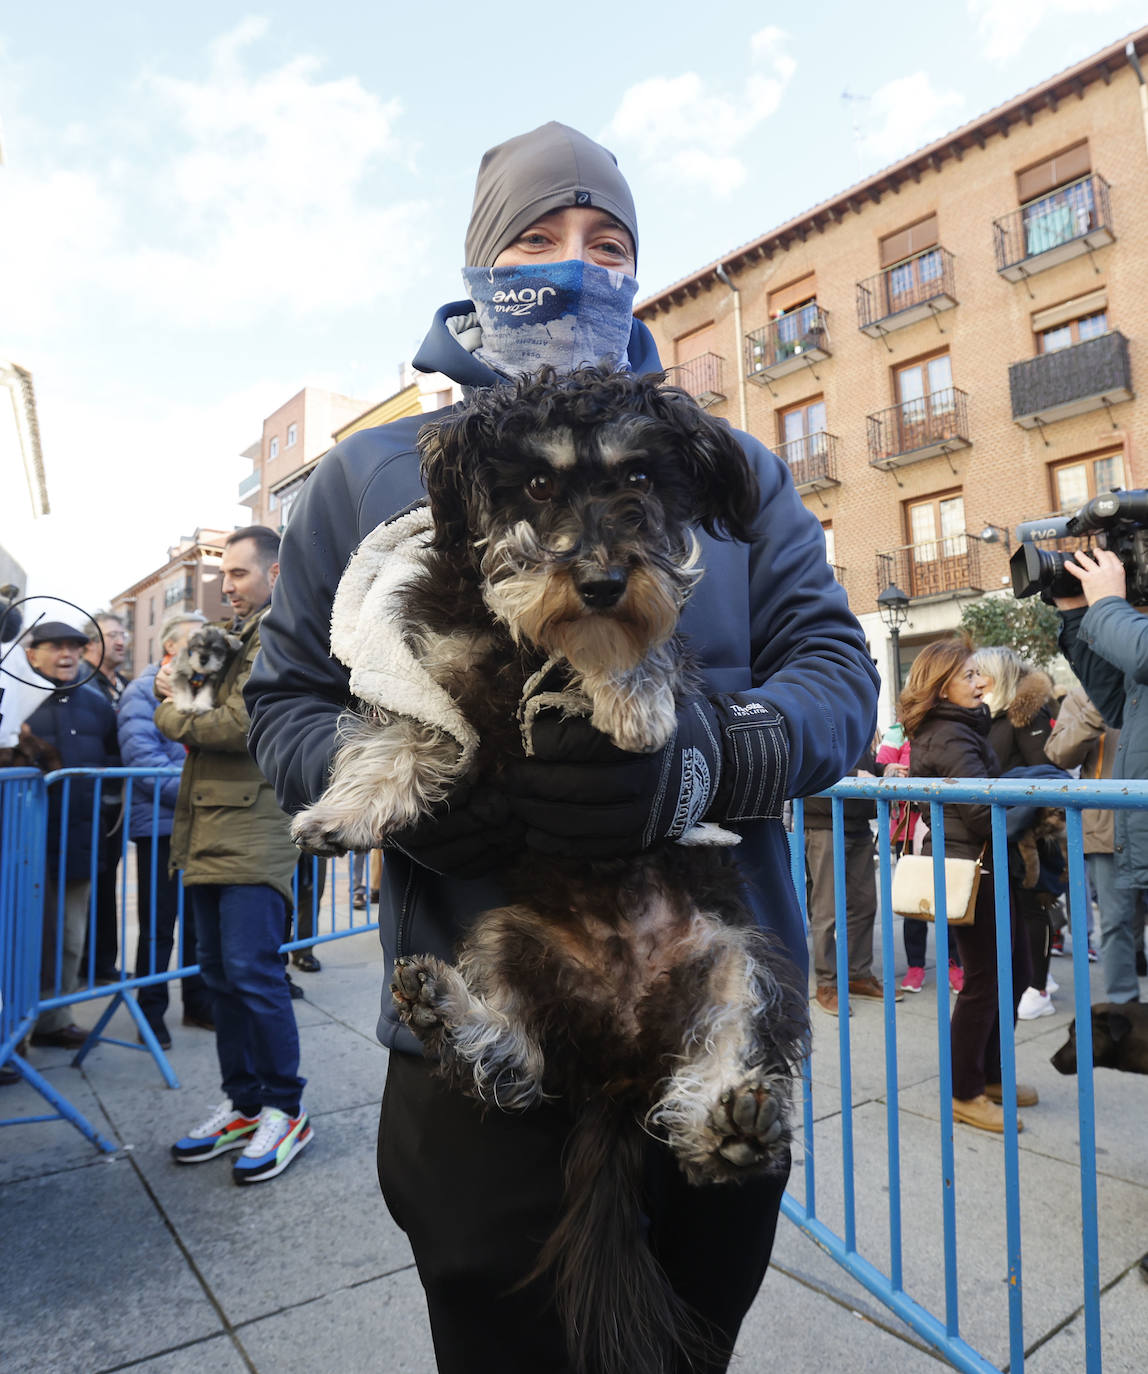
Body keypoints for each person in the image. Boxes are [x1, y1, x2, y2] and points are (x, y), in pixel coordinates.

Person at [245, 122, 879, 1371]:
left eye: (608, 245)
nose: (575, 267)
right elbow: (286, 707)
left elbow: (838, 681)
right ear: (478, 263)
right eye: (536, 242)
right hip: (480, 1021)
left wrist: (709, 760)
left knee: (690, 1333)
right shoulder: (370, 473)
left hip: (701, 993)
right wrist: (425, 800)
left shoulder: (730, 465)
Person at [155, 527, 311, 1185]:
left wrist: (173, 705)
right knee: (218, 976)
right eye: (225, 576)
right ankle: (245, 1103)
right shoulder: (217, 639)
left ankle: (286, 1108)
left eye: (240, 574)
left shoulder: (287, 635)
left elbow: (237, 726)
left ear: (275, 574)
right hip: (205, 830)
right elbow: (193, 708)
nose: (228, 586)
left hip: (255, 830)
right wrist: (182, 701)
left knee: (253, 974)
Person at [900, 636, 1037, 1134]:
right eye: (968, 676)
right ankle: (964, 1092)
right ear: (941, 688)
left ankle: (992, 1074)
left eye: (980, 672)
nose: (981, 682)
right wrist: (1034, 801)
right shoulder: (948, 734)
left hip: (988, 866)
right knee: (985, 980)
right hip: (970, 871)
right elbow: (981, 814)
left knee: (1018, 971)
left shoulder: (963, 727)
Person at [116, 611, 213, 1049]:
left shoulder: (202, 690)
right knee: (157, 926)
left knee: (197, 923)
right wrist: (203, 788)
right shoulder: (140, 692)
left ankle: (197, 1004)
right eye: (199, 641)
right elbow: (144, 764)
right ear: (172, 649)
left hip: (201, 824)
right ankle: (149, 1013)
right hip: (159, 826)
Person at [1056, 547, 1148, 1000]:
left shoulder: (1131, 631)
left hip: (1128, 820)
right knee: (1115, 923)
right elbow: (1115, 706)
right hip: (1115, 824)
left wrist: (1109, 603)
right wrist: (1077, 614)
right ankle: (1123, 1019)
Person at [23, 621, 119, 1048]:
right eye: (56, 647)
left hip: (79, 840)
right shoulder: (16, 702)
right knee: (19, 936)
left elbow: (115, 762)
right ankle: (15, 1030)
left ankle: (54, 1020)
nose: (66, 655)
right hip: (22, 846)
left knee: (68, 936)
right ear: (32, 654)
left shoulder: (97, 705)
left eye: (74, 648)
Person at [972, 646, 1058, 1019]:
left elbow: (1044, 771)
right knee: (1011, 910)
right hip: (1000, 827)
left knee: (1032, 906)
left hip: (1027, 834)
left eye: (979, 674)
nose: (973, 681)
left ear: (998, 676)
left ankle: (1038, 988)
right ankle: (1032, 975)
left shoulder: (1026, 715)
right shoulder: (985, 717)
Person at [1045, 686, 1144, 1004]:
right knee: (1115, 922)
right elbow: (1059, 753)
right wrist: (1097, 707)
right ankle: (1123, 1014)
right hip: (1109, 829)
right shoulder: (1084, 695)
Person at [803, 742, 900, 1016]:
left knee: (864, 903)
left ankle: (857, 974)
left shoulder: (857, 706)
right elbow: (810, 757)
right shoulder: (820, 704)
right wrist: (856, 774)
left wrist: (881, 768)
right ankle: (827, 983)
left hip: (856, 816)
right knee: (827, 908)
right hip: (825, 818)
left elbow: (860, 759)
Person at [876, 722, 963, 995]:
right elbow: (882, 768)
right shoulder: (897, 732)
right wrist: (892, 773)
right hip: (907, 830)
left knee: (951, 900)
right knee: (913, 901)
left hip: (946, 828)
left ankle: (954, 963)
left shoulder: (949, 730)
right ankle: (915, 966)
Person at [81, 611, 130, 984]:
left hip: (114, 804)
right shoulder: (80, 684)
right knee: (83, 884)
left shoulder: (122, 684)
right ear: (91, 645)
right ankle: (84, 963)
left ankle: (101, 962)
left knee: (105, 883)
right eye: (111, 634)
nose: (120, 640)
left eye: (122, 633)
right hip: (86, 803)